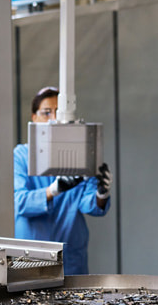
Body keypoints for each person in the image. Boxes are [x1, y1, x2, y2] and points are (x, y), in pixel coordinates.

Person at [13, 86, 111, 275]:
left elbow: (90, 205)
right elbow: (20, 203)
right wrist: (53, 190)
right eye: (46, 112)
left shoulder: (80, 155)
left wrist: (102, 193)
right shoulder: (22, 156)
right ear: (34, 118)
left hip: (71, 257)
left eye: (58, 113)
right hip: (32, 257)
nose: (53, 119)